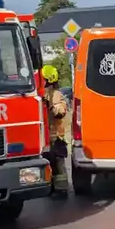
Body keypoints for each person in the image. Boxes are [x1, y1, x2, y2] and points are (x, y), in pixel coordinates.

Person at [41, 65, 70, 196]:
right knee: (47, 166)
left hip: (55, 137)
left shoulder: (56, 95)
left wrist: (50, 105)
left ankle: (61, 190)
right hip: (43, 138)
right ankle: (49, 188)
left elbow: (61, 112)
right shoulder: (40, 95)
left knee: (58, 166)